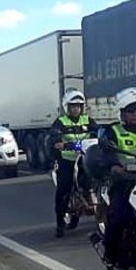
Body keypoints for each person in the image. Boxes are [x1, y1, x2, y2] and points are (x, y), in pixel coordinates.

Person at [95, 86, 136, 267]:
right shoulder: (112, 131)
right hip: (123, 182)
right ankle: (111, 253)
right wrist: (115, 165)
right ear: (122, 113)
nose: (135, 115)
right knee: (120, 214)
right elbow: (106, 151)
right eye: (130, 111)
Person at [48, 89, 101, 238]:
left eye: (78, 105)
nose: (76, 109)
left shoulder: (88, 120)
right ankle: (60, 223)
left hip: (86, 158)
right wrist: (60, 143)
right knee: (64, 187)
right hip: (67, 160)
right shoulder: (61, 122)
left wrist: (103, 139)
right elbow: (54, 136)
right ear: (67, 107)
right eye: (73, 106)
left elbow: (99, 132)